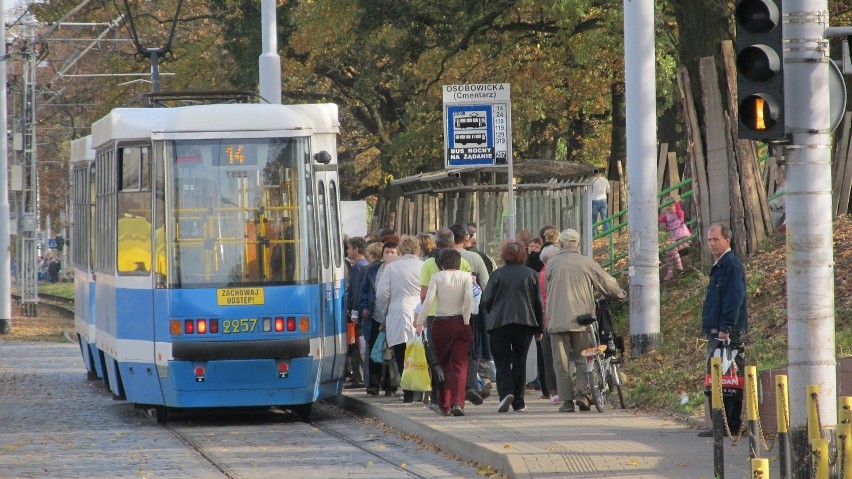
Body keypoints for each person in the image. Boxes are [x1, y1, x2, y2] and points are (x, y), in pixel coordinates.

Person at [546, 228, 626, 412]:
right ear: (578, 244)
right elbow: (605, 282)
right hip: (582, 320)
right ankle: (583, 394)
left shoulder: (551, 263)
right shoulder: (586, 263)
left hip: (557, 320)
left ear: (561, 244)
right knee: (584, 358)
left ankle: (566, 402)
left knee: (562, 364)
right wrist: (620, 294)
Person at [697, 223, 749, 437]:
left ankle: (729, 425)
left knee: (729, 380)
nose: (711, 243)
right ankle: (720, 424)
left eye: (715, 239)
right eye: (709, 240)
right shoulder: (720, 265)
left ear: (727, 240)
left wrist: (726, 327)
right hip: (716, 330)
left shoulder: (731, 265)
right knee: (716, 379)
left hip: (727, 332)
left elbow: (734, 298)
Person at [481, 240, 544, 413]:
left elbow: (486, 299)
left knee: (501, 361)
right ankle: (519, 402)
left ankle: (505, 395)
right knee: (520, 361)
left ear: (503, 255)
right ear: (523, 255)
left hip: (499, 323)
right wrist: (540, 328)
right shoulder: (531, 274)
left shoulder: (497, 274)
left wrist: (493, 312)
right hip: (524, 323)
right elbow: (538, 303)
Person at [417, 248, 474, 416]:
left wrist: (420, 320)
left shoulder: (437, 277)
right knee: (460, 364)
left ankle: (445, 403)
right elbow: (469, 297)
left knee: (441, 364)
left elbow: (428, 301)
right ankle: (458, 402)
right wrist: (466, 318)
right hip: (460, 322)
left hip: (440, 323)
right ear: (459, 263)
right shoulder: (465, 277)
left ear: (441, 264)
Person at [374, 235, 423, 403]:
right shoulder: (423, 266)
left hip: (398, 313)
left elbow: (381, 295)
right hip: (419, 313)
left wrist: (383, 315)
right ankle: (420, 390)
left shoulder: (392, 268)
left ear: (400, 250)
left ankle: (408, 391)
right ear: (418, 249)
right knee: (419, 353)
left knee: (401, 354)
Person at [356, 241, 385, 394]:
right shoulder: (371, 270)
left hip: (391, 315)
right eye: (387, 252)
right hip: (374, 315)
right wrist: (364, 307)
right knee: (374, 348)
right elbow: (364, 291)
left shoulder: (395, 269)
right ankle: (373, 384)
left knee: (389, 351)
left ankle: (389, 384)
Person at [344, 237, 369, 389]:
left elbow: (355, 291)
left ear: (356, 250)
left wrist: (352, 311)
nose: (347, 251)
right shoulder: (364, 265)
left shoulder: (358, 268)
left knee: (356, 346)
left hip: (357, 313)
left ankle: (358, 378)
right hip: (361, 311)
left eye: (349, 248)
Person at [537, 244, 561, 404]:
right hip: (561, 319)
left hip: (545, 321)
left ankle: (552, 391)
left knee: (548, 357)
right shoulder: (559, 274)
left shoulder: (540, 276)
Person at [658, 194, 692, 281]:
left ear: (674, 205)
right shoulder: (667, 214)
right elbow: (661, 219)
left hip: (685, 237)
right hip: (676, 238)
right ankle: (670, 272)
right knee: (668, 252)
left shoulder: (678, 212)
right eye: (667, 206)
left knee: (673, 249)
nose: (668, 207)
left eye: (670, 205)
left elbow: (678, 208)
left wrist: (675, 202)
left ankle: (680, 269)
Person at [591, 168, 610, 233]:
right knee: (604, 217)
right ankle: (607, 232)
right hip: (603, 200)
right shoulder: (605, 180)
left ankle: (593, 234)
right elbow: (608, 190)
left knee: (594, 219)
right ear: (601, 172)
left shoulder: (591, 180)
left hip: (594, 200)